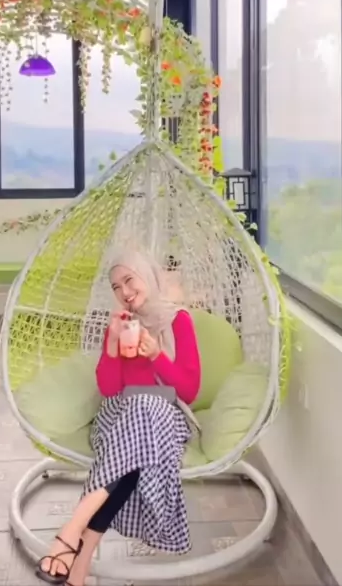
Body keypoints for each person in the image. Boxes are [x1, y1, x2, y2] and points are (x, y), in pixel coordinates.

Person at [36, 248, 201, 585]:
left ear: (148, 277)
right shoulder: (121, 326)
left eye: (129, 280)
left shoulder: (178, 320)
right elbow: (109, 389)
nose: (124, 292)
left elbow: (189, 392)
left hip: (164, 417)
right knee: (136, 441)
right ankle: (78, 557)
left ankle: (72, 534)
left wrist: (156, 355)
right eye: (116, 286)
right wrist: (111, 343)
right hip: (120, 416)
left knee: (144, 416)